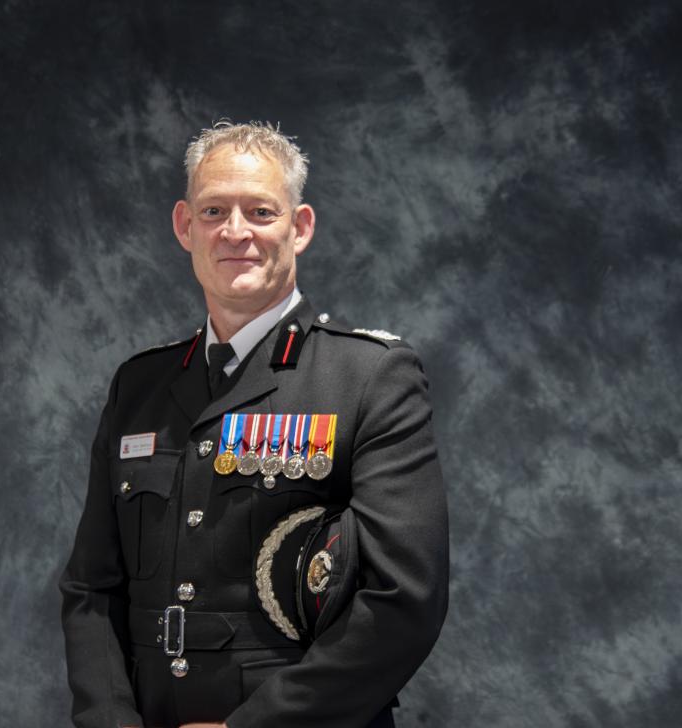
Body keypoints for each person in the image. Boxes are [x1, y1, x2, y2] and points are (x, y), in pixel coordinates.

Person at [60, 121, 449, 728]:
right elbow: (91, 591)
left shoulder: (368, 376)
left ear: (300, 228)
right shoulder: (139, 386)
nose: (235, 232)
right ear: (185, 226)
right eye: (214, 211)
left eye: (261, 212)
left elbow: (403, 600)